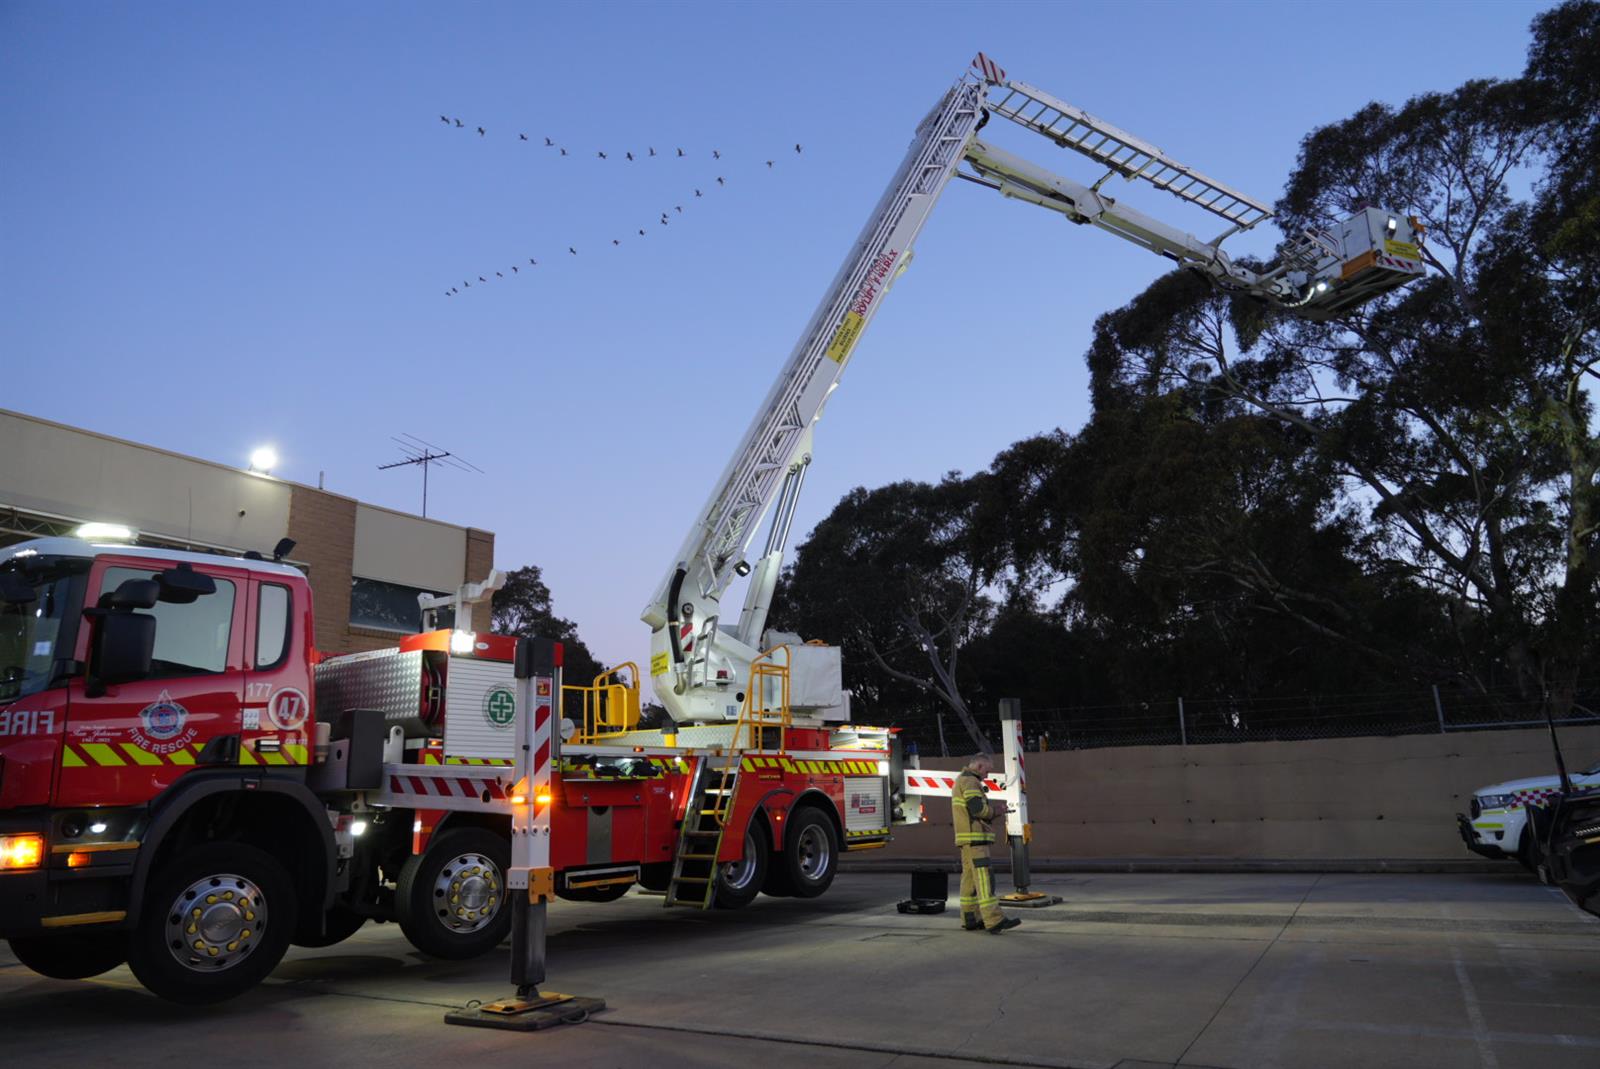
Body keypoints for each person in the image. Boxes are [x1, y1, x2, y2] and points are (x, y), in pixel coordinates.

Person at [952, 753, 1020, 933]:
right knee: (984, 881)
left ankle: (970, 918)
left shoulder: (962, 780)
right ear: (980, 766)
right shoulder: (971, 782)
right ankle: (994, 920)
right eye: (987, 771)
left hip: (967, 840)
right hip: (976, 839)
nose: (987, 776)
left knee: (970, 881)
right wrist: (997, 810)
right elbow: (978, 810)